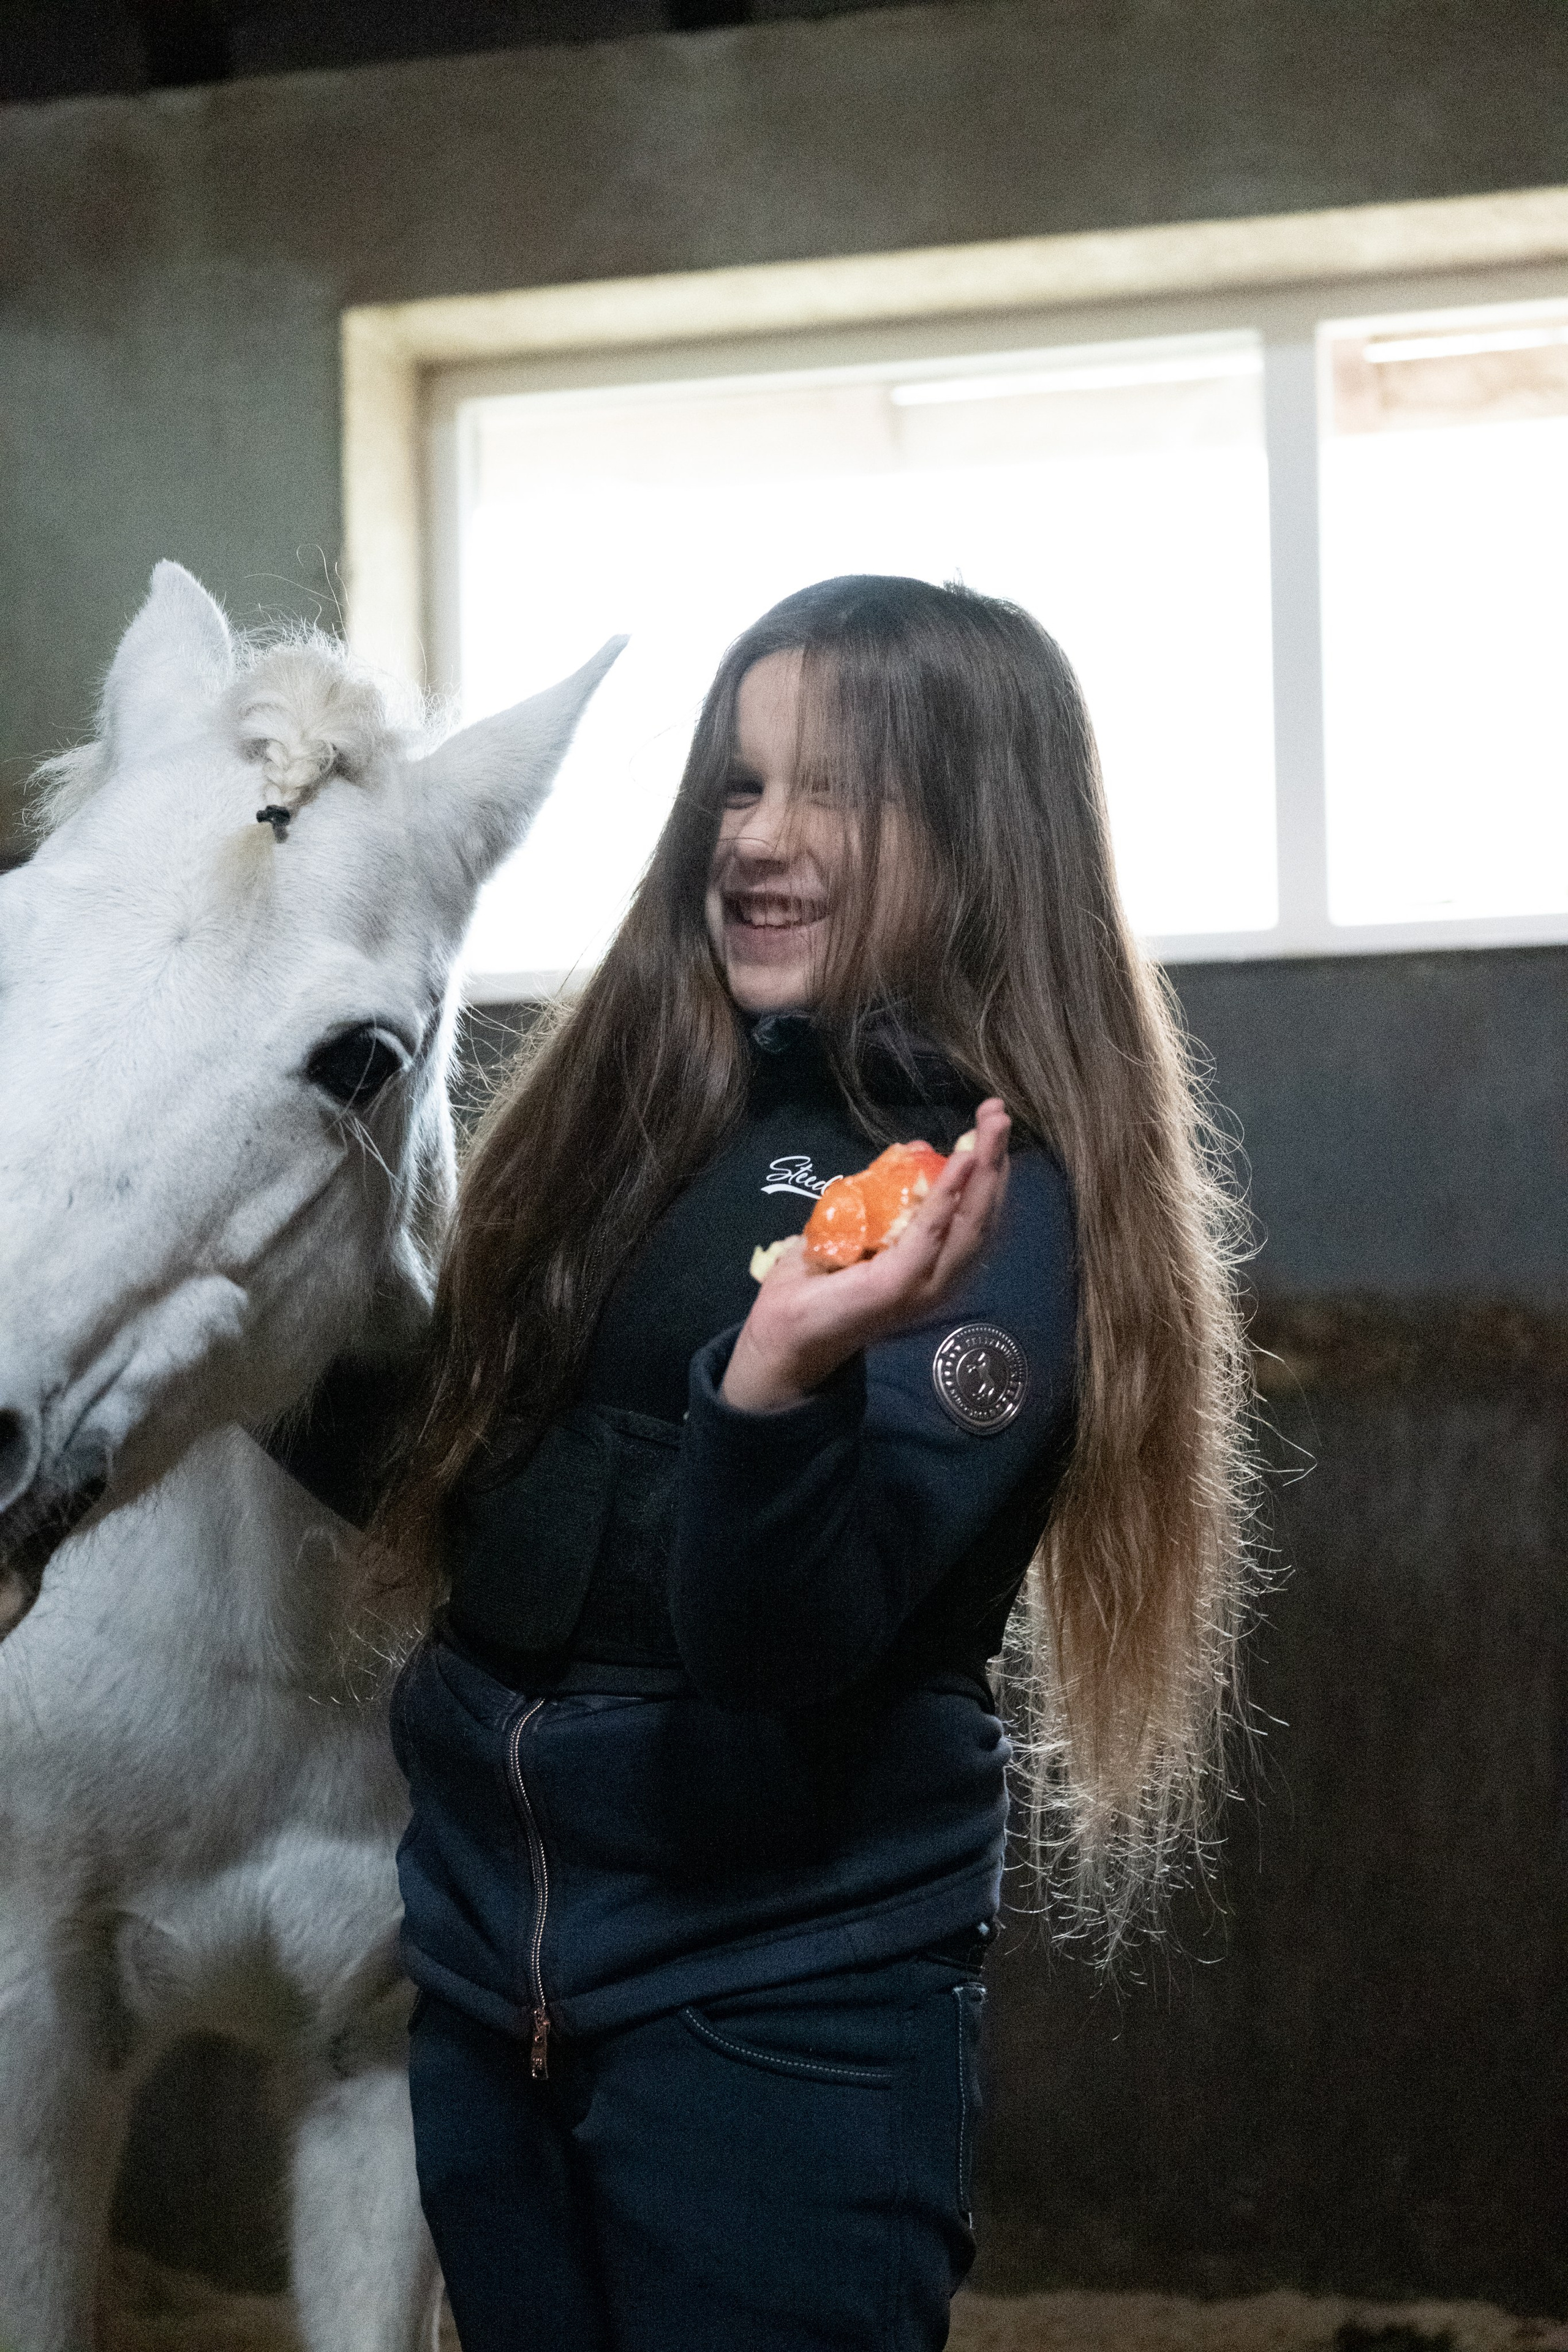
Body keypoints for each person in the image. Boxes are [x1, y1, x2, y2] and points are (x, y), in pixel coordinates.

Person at [373, 575, 1254, 2351]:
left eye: (834, 790)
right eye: (737, 785)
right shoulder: (637, 1114)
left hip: (772, 2017)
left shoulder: (981, 1212)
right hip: (493, 1981)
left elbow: (780, 1647)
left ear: (980, 828)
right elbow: (460, 1487)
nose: (761, 839)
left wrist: (775, 1385)